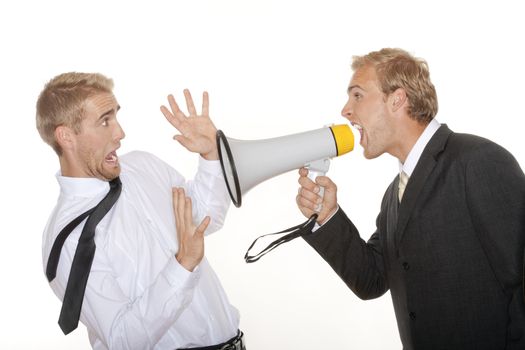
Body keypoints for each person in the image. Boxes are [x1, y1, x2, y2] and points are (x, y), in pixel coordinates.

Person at [296, 48, 525, 349]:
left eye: (357, 95)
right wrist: (327, 215)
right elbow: (371, 280)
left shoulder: (478, 161)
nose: (346, 111)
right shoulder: (394, 196)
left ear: (397, 99)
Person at [36, 72, 245, 350]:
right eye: (104, 121)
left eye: (116, 116)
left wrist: (210, 156)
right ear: (66, 136)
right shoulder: (71, 240)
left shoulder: (143, 166)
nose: (120, 133)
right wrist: (182, 266)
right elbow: (123, 340)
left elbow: (205, 217)